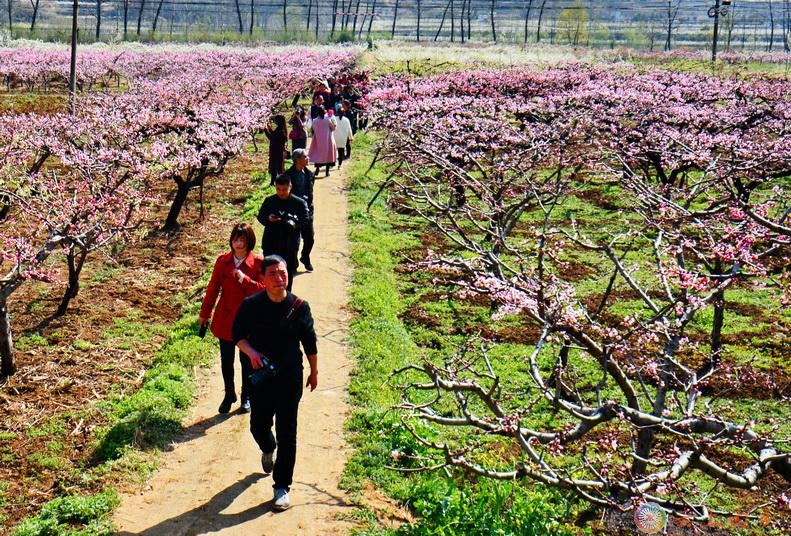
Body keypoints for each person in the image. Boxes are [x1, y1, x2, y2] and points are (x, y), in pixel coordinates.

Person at [233, 255, 318, 512]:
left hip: (290, 377)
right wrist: (252, 353)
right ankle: (268, 447)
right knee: (258, 425)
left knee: (288, 432)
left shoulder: (299, 307)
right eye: (273, 274)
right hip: (261, 378)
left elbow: (310, 343)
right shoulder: (251, 306)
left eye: (283, 273)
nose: (280, 278)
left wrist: (314, 371)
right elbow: (237, 335)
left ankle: (282, 486)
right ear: (262, 278)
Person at [199, 223, 266, 414]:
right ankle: (229, 394)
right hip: (226, 317)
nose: (238, 244)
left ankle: (246, 397)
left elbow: (263, 290)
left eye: (242, 240)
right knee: (226, 360)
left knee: (247, 360)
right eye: (235, 239)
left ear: (249, 242)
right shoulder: (223, 262)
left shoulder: (258, 263)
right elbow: (212, 289)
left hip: (248, 319)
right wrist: (205, 314)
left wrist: (244, 279)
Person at [256, 175, 310, 290]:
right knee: (270, 270)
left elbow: (305, 220)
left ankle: (287, 295)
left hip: (289, 242)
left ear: (290, 187)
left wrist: (294, 224)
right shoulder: (269, 201)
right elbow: (261, 217)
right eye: (278, 189)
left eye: (284, 189)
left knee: (287, 271)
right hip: (271, 241)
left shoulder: (299, 203)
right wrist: (269, 219)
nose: (281, 193)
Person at [280, 148, 316, 272]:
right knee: (293, 242)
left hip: (306, 211)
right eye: (305, 157)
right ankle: (293, 263)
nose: (308, 158)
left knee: (310, 238)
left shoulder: (310, 174)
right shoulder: (287, 176)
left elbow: (310, 192)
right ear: (297, 160)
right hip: (293, 212)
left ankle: (305, 257)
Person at [308, 106, 336, 177]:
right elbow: (332, 128)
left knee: (318, 156)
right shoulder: (327, 120)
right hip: (327, 140)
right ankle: (327, 172)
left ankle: (317, 170)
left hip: (318, 140)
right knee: (328, 156)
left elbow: (312, 130)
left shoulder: (315, 121)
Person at [263, 114, 288, 185]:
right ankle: (274, 182)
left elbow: (272, 137)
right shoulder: (281, 129)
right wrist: (269, 128)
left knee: (275, 167)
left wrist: (265, 130)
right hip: (277, 151)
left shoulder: (281, 131)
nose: (274, 122)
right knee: (277, 167)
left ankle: (276, 182)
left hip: (277, 151)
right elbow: (273, 134)